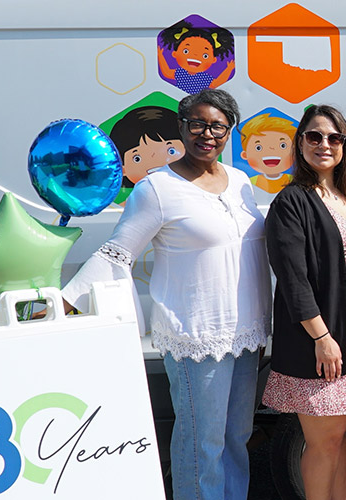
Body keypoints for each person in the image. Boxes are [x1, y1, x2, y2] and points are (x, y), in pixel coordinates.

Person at [62, 88, 271, 500]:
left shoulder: (241, 183)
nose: (206, 134)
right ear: (182, 128)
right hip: (195, 336)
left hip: (246, 334)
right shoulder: (157, 188)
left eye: (217, 126)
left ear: (230, 132)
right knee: (201, 444)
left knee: (236, 438)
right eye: (197, 124)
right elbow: (117, 253)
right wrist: (64, 302)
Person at [262, 104, 346, 500]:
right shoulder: (291, 201)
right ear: (300, 142)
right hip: (322, 335)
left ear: (345, 147)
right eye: (314, 136)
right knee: (322, 441)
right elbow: (293, 278)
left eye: (335, 138)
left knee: (340, 437)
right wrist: (321, 336)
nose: (325, 144)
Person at [107, 105, 184, 204]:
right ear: (123, 168)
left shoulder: (199, 197)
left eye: (171, 151)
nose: (154, 158)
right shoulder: (128, 208)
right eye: (137, 158)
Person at [157, 20, 236, 94]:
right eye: (186, 51)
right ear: (175, 53)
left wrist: (228, 69)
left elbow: (215, 83)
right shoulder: (180, 73)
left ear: (213, 60)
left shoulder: (203, 78)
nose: (195, 56)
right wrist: (160, 55)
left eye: (205, 55)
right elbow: (166, 73)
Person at [239, 112, 297, 194]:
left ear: (294, 153)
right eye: (258, 147)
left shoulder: (294, 180)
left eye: (282, 145)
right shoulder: (249, 182)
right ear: (245, 155)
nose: (271, 150)